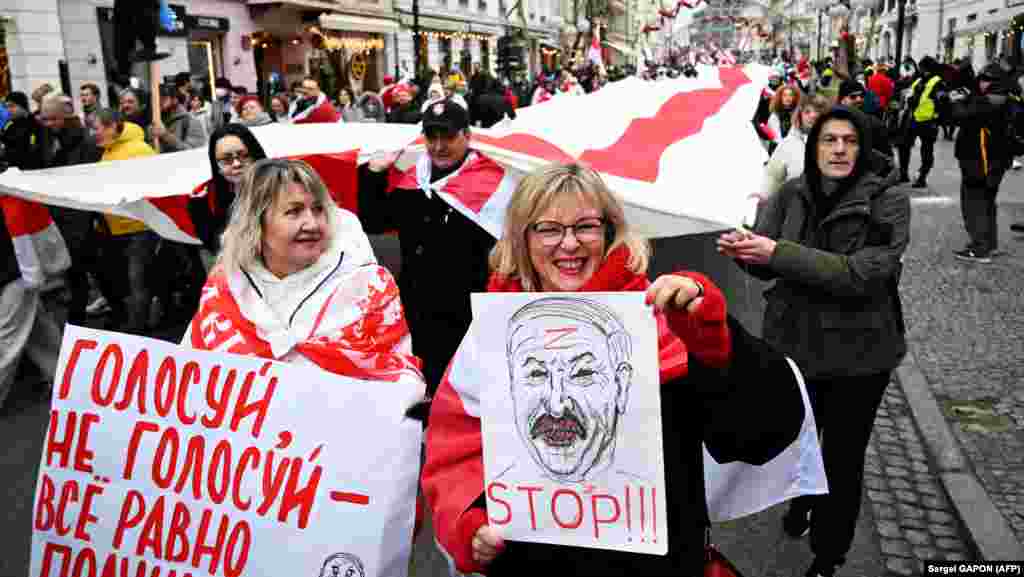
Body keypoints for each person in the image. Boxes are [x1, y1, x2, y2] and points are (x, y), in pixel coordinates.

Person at [423, 162, 807, 577]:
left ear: (609, 233)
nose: (568, 244)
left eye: (585, 226)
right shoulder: (492, 334)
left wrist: (714, 340)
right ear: (522, 239)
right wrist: (473, 523)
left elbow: (764, 434)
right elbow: (455, 453)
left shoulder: (665, 317)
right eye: (548, 228)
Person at [718, 107, 909, 577]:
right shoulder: (792, 192)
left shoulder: (888, 199)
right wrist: (746, 251)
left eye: (849, 141)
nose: (839, 149)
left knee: (842, 458)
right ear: (814, 146)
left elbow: (862, 274)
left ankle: (830, 553)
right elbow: (765, 258)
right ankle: (803, 501)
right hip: (796, 347)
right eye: (829, 141)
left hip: (861, 356)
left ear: (863, 148)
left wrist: (777, 253)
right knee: (801, 442)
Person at [358, 98, 497, 397]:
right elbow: (374, 221)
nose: (438, 145)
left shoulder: (489, 181)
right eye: (431, 137)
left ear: (467, 135)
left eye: (447, 136)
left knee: (461, 391)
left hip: (466, 309)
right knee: (421, 387)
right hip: (417, 305)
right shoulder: (414, 180)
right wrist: (374, 174)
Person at [37, 94, 104, 326]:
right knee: (79, 271)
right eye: (44, 119)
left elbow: (90, 177)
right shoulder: (46, 138)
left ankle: (79, 321)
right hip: (60, 213)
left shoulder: (83, 142)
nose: (48, 124)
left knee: (87, 270)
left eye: (53, 119)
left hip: (79, 214)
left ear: (64, 116)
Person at [93, 108, 159, 334]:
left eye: (97, 128)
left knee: (137, 279)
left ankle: (138, 330)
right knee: (129, 280)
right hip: (117, 226)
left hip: (139, 225)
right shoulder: (108, 152)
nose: (95, 134)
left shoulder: (140, 149)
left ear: (112, 126)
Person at [0, 199, 63, 410]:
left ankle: (65, 377)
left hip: (14, 274)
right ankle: (65, 377)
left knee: (7, 338)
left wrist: (31, 275)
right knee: (38, 331)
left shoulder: (8, 195)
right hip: (16, 273)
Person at [950, 64, 1012, 263]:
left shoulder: (988, 102)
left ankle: (980, 248)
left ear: (993, 82)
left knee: (974, 203)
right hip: (996, 161)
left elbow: (963, 117)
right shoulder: (1006, 98)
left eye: (984, 79)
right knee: (987, 201)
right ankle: (989, 243)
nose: (980, 82)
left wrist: (956, 101)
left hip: (979, 161)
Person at [188, 124, 269, 253]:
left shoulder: (282, 187)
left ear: (255, 155)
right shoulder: (203, 200)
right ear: (216, 166)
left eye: (243, 155)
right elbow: (213, 248)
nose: (236, 164)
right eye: (226, 159)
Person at [757, 94, 829, 203]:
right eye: (807, 111)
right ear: (800, 115)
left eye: (818, 111)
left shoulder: (835, 145)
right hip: (792, 210)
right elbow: (771, 180)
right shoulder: (788, 145)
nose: (813, 115)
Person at [898, 56, 947, 187]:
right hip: (913, 118)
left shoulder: (938, 82)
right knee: (904, 146)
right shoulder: (919, 80)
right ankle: (903, 174)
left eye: (921, 68)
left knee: (926, 151)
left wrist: (937, 119)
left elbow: (942, 103)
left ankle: (922, 177)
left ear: (927, 69)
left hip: (928, 121)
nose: (919, 70)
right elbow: (910, 93)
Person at [838, 79, 893, 161]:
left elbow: (887, 156)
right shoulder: (832, 123)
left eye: (862, 96)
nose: (859, 99)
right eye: (853, 96)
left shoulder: (874, 124)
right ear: (842, 100)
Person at [151, 84, 207, 151]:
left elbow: (194, 151)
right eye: (155, 99)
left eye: (164, 98)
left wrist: (166, 135)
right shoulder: (153, 121)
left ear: (175, 99)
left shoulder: (191, 121)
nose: (159, 102)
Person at [1, 92, 42, 170]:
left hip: (31, 168)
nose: (8, 110)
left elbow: (31, 148)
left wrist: (5, 152)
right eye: (6, 107)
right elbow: (3, 138)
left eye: (12, 106)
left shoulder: (34, 123)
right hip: (11, 168)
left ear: (23, 106)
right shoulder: (9, 124)